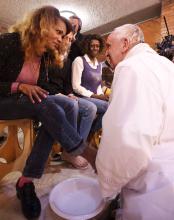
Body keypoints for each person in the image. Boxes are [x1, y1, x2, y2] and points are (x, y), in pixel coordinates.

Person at [0, 6, 90, 219]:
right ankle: (80, 149)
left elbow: (42, 89)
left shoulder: (45, 57)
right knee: (47, 106)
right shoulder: (9, 42)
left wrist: (63, 96)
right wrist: (18, 86)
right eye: (58, 32)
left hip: (25, 102)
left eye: (64, 35)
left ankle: (26, 180)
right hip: (4, 99)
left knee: (64, 106)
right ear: (43, 24)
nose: (61, 38)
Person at [96, 24, 174, 220]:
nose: (106, 53)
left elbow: (128, 140)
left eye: (108, 45)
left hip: (155, 186)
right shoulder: (167, 64)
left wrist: (108, 184)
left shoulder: (130, 67)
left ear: (124, 44)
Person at [72, 34, 109, 133]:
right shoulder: (79, 60)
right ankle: (88, 135)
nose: (95, 48)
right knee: (108, 107)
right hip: (81, 98)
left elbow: (98, 86)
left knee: (112, 105)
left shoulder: (99, 65)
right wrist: (95, 96)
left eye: (97, 46)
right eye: (92, 45)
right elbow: (75, 86)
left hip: (94, 98)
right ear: (87, 46)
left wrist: (101, 94)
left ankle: (91, 132)